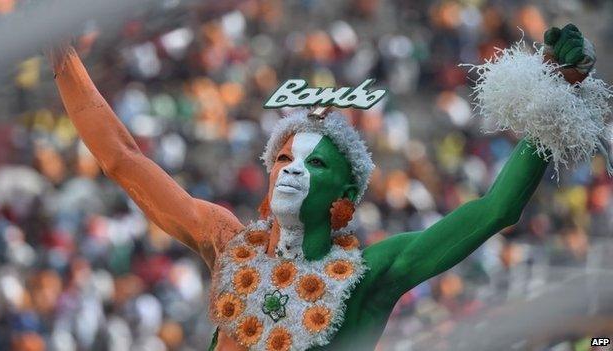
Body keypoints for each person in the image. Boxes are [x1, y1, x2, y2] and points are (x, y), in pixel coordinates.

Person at [47, 24, 603, 351]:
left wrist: (550, 102)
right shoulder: (225, 240)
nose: (293, 167)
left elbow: (493, 211)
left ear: (345, 197)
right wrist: (63, 58)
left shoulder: (370, 277)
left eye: (315, 164)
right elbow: (124, 160)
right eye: (285, 156)